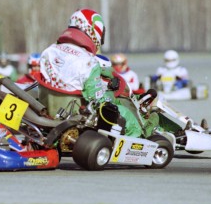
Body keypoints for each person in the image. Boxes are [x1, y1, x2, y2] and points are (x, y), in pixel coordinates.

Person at [39, 8, 158, 138]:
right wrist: (110, 95)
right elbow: (95, 99)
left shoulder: (49, 50)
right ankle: (139, 137)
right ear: (94, 31)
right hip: (74, 114)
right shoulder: (88, 62)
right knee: (122, 111)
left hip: (49, 109)